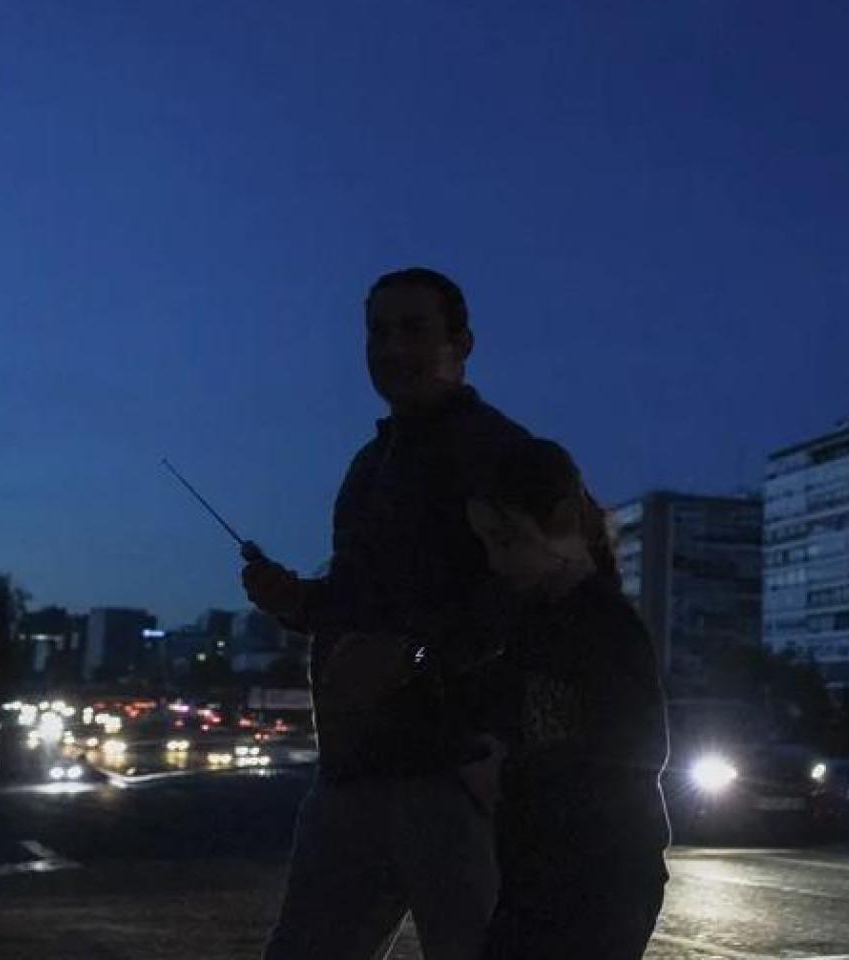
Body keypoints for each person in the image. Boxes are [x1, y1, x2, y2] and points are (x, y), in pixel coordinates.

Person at [243, 267, 569, 960]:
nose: (392, 348)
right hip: (355, 771)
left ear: (464, 343)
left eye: (413, 329)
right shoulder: (369, 464)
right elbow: (365, 601)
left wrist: (416, 654)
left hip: (457, 775)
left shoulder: (504, 455)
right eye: (378, 332)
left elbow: (540, 597)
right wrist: (300, 602)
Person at [465, 440, 670, 960]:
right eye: (487, 542)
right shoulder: (532, 621)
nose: (496, 559)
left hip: (601, 877)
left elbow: (632, 753)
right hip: (540, 873)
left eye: (507, 539)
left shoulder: (605, 626)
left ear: (558, 520)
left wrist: (505, 775)